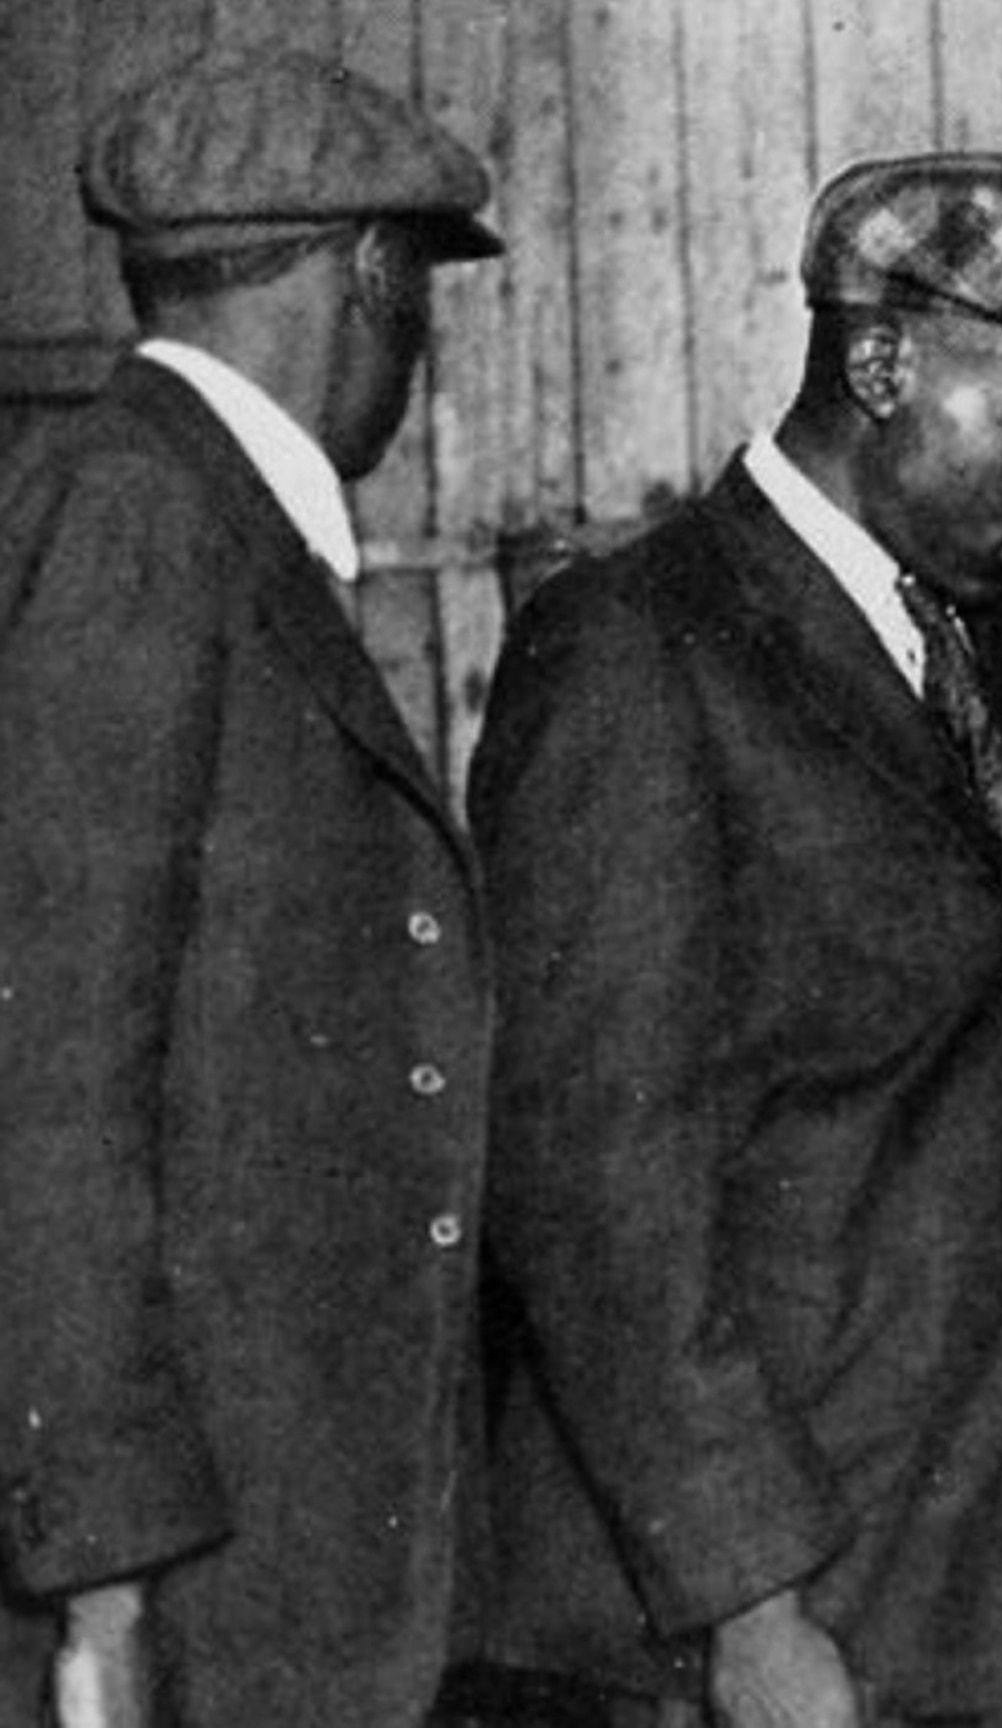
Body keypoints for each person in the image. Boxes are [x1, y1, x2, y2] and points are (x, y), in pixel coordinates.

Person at [469, 153, 1002, 1728]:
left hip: (989, 1538)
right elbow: (597, 1178)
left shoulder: (998, 629)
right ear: (881, 366)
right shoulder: (632, 647)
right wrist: (751, 1610)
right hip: (750, 1578)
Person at [0, 46, 502, 1728]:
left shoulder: (202, 519)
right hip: (194, 1573)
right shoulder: (140, 521)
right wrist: (102, 1588)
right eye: (418, 289)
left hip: (266, 1547)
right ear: (370, 271)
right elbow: (48, 1082)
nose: (416, 342)